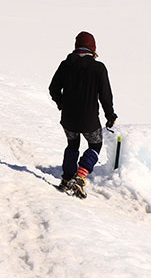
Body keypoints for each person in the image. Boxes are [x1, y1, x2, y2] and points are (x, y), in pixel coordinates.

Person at [48, 31, 117, 199]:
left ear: (76, 46)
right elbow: (105, 96)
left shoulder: (65, 65)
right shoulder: (98, 68)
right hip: (89, 120)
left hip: (68, 118)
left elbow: (53, 88)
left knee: (72, 145)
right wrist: (110, 115)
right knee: (95, 145)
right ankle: (80, 176)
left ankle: (66, 179)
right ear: (92, 48)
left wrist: (62, 104)